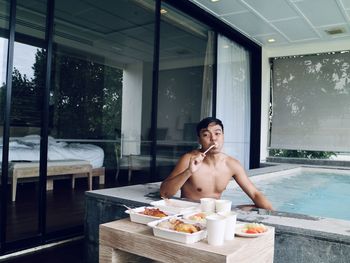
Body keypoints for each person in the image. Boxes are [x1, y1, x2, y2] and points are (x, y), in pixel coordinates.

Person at [160, 117, 273, 210]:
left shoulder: (232, 164)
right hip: (191, 213)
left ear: (223, 136)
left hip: (216, 215)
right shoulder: (189, 159)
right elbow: (165, 194)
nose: (213, 139)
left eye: (217, 133)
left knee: (252, 209)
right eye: (206, 135)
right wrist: (188, 171)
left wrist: (272, 214)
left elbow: (255, 194)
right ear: (199, 140)